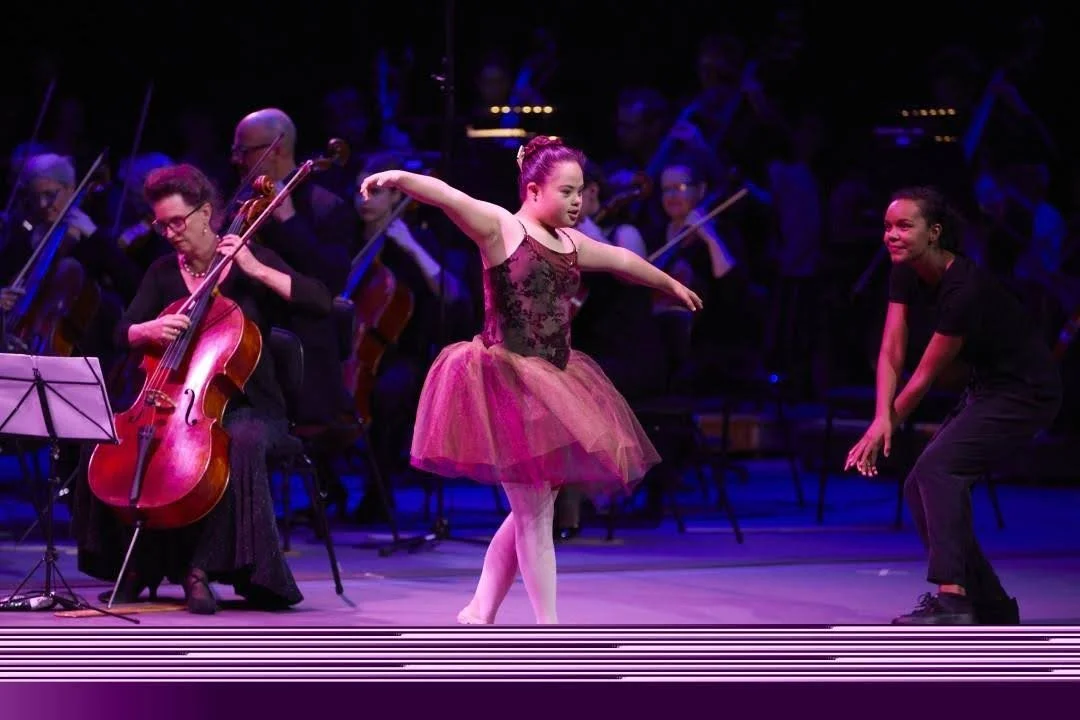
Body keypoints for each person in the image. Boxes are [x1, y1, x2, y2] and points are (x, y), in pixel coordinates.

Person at [359, 136, 702, 624]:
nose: (577, 201)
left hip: (555, 382)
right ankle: (549, 629)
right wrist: (398, 178)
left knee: (531, 508)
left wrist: (668, 283)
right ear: (534, 189)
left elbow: (623, 261)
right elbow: (447, 195)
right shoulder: (502, 228)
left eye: (580, 191)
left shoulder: (570, 243)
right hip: (505, 382)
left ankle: (480, 609)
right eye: (566, 192)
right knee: (535, 514)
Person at [72, 164, 333, 615]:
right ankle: (135, 565)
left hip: (250, 404)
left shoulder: (249, 260)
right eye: (161, 224)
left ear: (206, 213)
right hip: (175, 400)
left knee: (240, 442)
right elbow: (121, 333)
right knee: (105, 437)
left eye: (178, 221)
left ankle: (203, 568)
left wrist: (255, 269)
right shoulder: (161, 273)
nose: (170, 233)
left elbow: (321, 302)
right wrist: (147, 329)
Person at [845, 186, 1061, 625]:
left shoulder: (964, 288)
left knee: (939, 471)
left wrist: (884, 425)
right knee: (917, 484)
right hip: (989, 386)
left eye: (905, 226)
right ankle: (993, 604)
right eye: (888, 226)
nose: (893, 235)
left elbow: (925, 375)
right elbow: (892, 349)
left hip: (1026, 390)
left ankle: (954, 597)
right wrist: (881, 418)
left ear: (934, 232)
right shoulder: (904, 270)